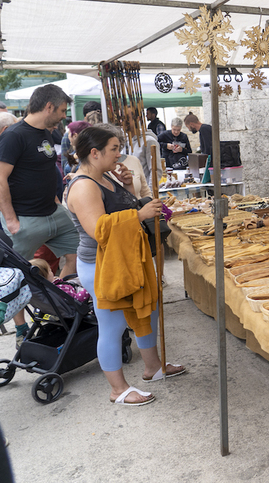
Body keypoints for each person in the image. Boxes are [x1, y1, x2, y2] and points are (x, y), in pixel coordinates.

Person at [66, 126, 184, 406]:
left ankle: (153, 367)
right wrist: (139, 214)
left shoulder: (106, 177)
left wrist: (130, 188)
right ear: (94, 154)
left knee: (147, 311)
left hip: (126, 260)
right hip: (101, 265)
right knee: (113, 324)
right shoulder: (83, 186)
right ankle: (117, 389)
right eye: (114, 149)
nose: (120, 154)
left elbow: (121, 209)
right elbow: (99, 230)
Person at [0, 84, 81, 347]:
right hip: (25, 219)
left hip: (53, 212)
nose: (64, 116)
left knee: (83, 252)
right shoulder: (15, 135)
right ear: (49, 106)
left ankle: (63, 304)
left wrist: (55, 200)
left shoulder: (47, 133)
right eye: (63, 110)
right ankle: (21, 329)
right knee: (14, 275)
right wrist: (10, 219)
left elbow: (44, 169)